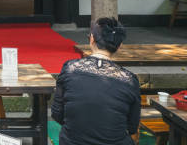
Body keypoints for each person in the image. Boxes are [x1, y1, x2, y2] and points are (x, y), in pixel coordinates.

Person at [51, 17, 140, 145]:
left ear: (92, 39)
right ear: (119, 46)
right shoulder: (130, 79)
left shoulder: (70, 68)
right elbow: (132, 126)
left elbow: (57, 113)